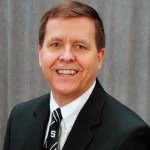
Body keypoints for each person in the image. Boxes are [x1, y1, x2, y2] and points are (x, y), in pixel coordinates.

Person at [3, 1, 150, 150]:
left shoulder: (129, 136)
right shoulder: (19, 118)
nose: (67, 57)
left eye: (80, 46)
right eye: (56, 44)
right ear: (40, 54)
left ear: (100, 57)